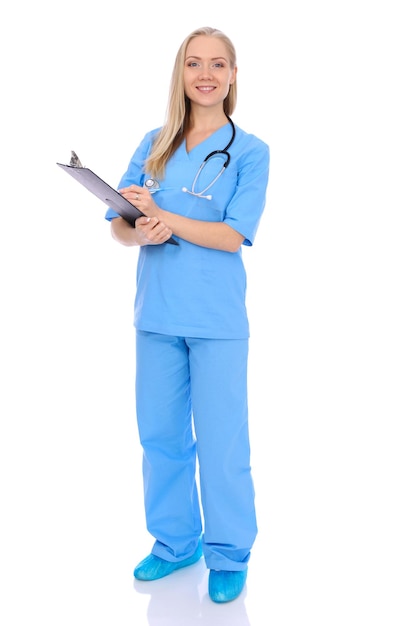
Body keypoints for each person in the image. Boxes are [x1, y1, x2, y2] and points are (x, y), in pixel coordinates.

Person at [105, 26, 269, 604]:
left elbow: (232, 236)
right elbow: (122, 229)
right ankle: (176, 544)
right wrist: (139, 226)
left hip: (216, 320)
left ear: (232, 75)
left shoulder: (250, 152)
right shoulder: (154, 143)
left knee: (222, 441)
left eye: (217, 64)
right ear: (181, 72)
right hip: (156, 315)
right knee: (161, 437)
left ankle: (229, 552)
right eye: (194, 63)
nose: (205, 74)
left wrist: (167, 220)